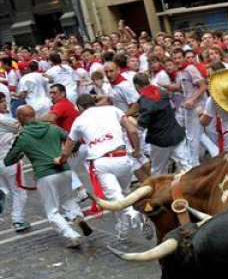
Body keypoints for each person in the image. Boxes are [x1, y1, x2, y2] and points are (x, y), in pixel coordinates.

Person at [59, 95, 143, 242]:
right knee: (123, 193)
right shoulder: (113, 110)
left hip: (102, 163)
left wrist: (62, 160)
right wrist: (137, 150)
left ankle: (131, 213)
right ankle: (123, 230)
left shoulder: (79, 120)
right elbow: (133, 131)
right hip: (123, 157)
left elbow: (67, 148)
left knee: (115, 197)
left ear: (79, 107)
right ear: (93, 103)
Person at [4, 105, 89, 248]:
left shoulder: (23, 137)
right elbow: (74, 140)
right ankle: (77, 217)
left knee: (52, 211)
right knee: (67, 199)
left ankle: (72, 235)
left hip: (45, 174)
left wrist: (22, 152)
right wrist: (67, 153)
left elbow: (9, 160)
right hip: (64, 170)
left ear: (21, 118)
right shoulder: (52, 128)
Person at [133, 72, 191, 176]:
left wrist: (129, 119)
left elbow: (141, 125)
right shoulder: (161, 91)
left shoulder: (145, 100)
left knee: (158, 171)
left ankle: (160, 191)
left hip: (160, 140)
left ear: (137, 86)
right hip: (175, 133)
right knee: (185, 165)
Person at [0, 95, 30, 232]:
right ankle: (18, 220)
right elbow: (25, 125)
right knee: (20, 191)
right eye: (1, 103)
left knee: (5, 189)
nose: (5, 105)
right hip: (9, 160)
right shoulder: (4, 119)